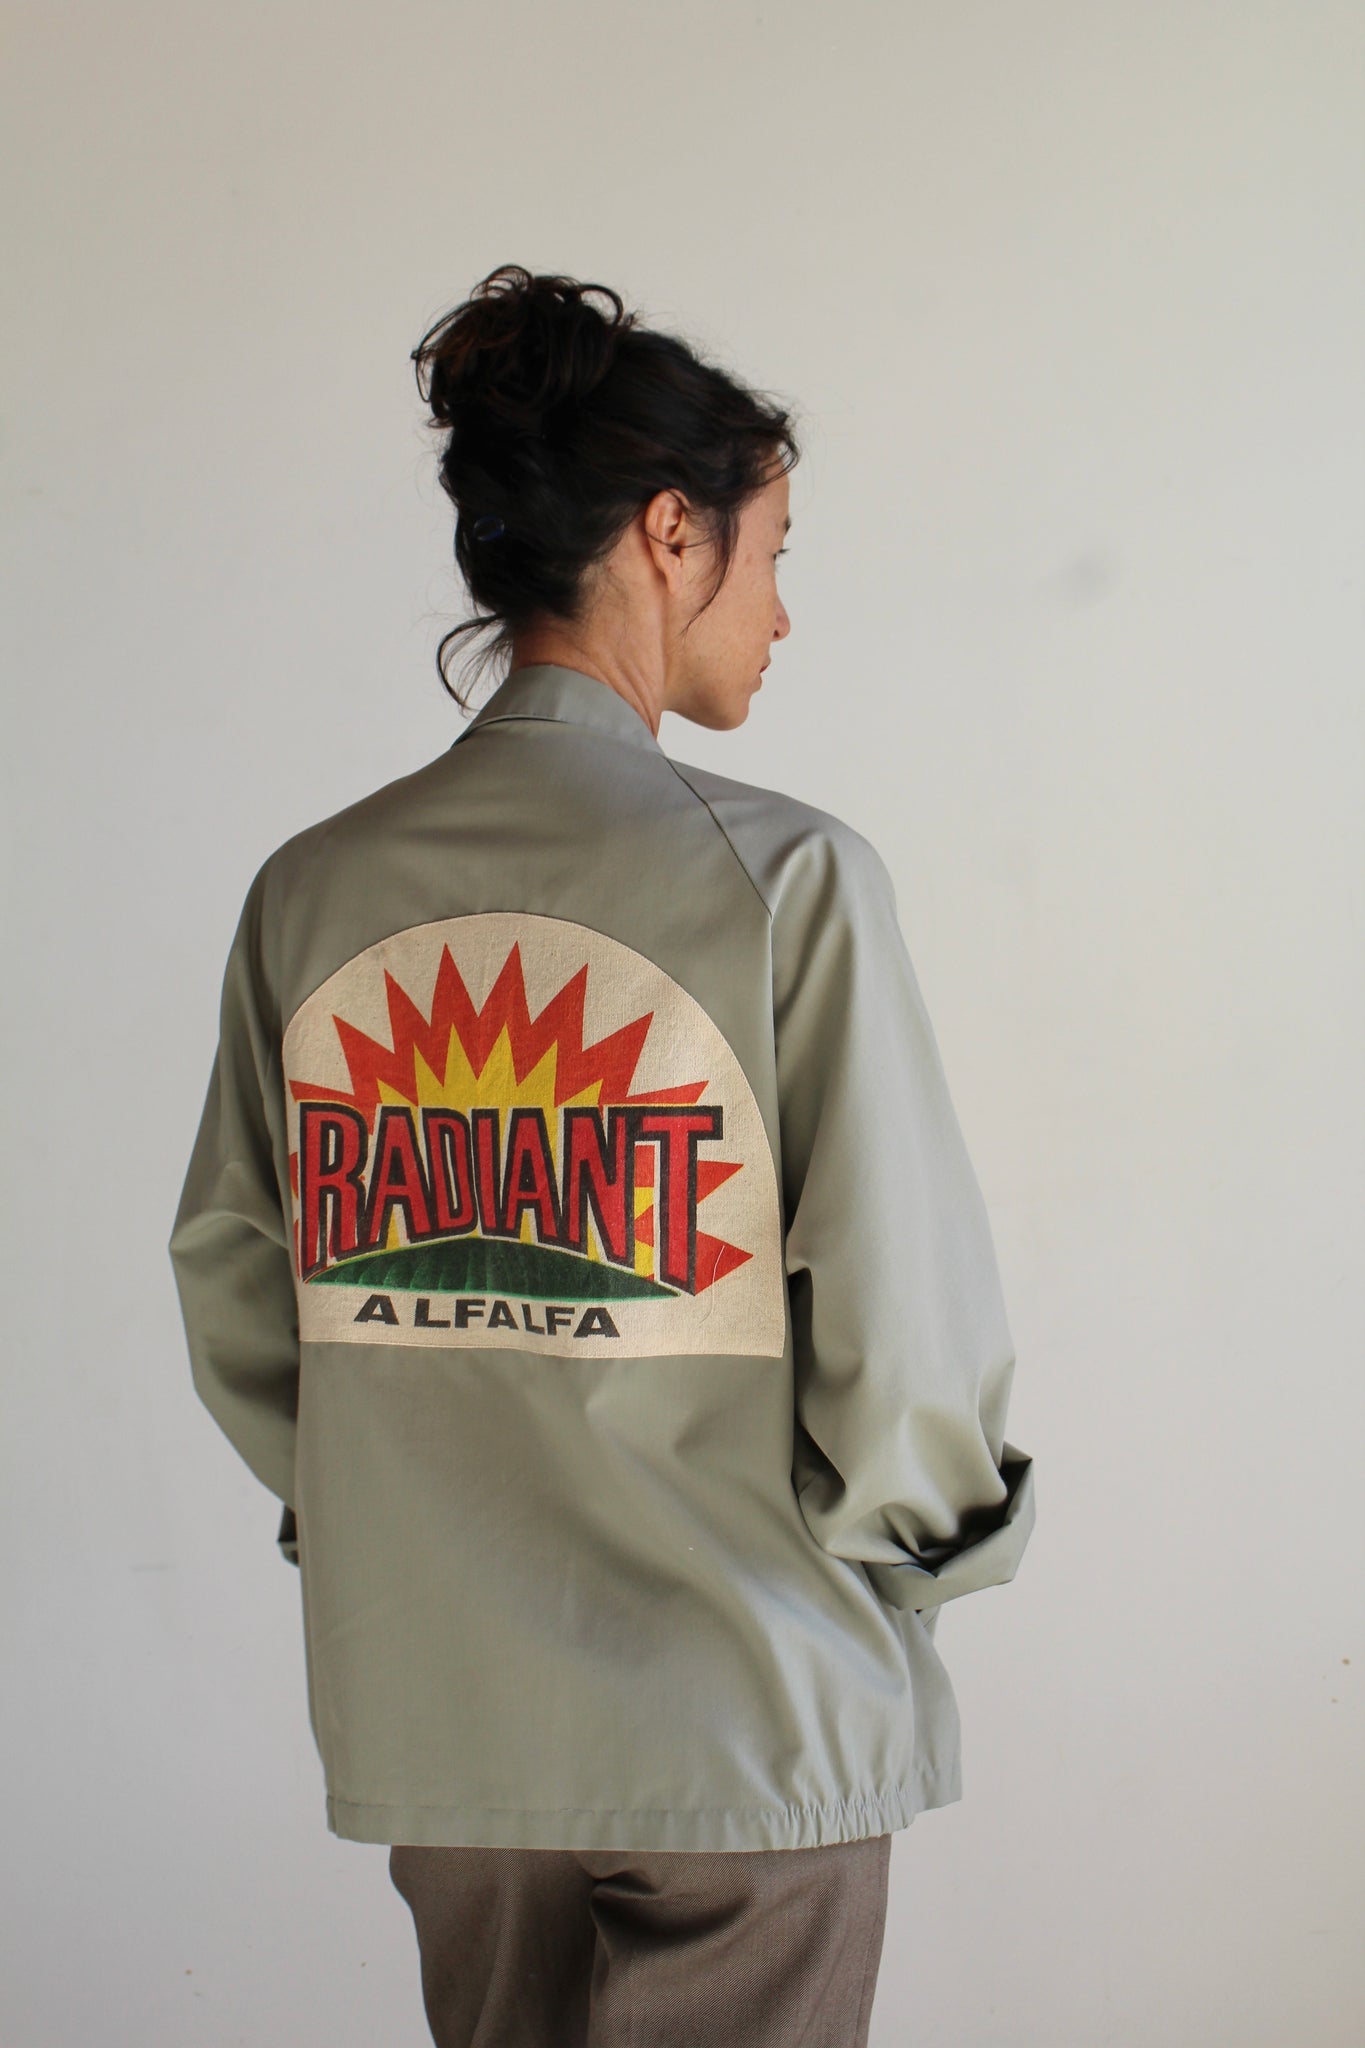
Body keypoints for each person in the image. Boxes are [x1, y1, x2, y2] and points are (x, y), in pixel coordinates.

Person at [168, 263, 1036, 2048]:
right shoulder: (786, 879)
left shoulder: (313, 889)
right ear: (667, 531)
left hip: (447, 1718)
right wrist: (935, 1550)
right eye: (771, 551)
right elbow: (902, 1324)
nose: (781, 613)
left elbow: (242, 1288)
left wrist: (391, 1520)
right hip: (748, 1700)